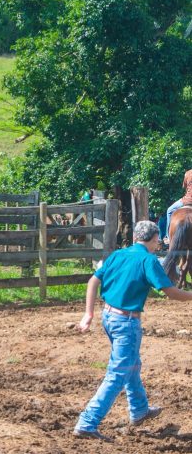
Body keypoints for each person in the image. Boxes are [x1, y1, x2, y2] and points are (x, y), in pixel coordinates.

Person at [73, 220, 192, 441]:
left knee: (132, 364)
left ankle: (139, 410)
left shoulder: (118, 255)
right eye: (158, 241)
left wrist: (88, 314)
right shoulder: (148, 260)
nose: (159, 244)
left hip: (108, 317)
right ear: (155, 239)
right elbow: (171, 292)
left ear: (136, 237)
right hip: (127, 322)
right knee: (118, 373)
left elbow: (92, 282)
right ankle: (87, 422)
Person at [163, 169, 192, 243]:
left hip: (187, 200)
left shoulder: (188, 173)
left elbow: (185, 187)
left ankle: (169, 237)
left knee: (169, 210)